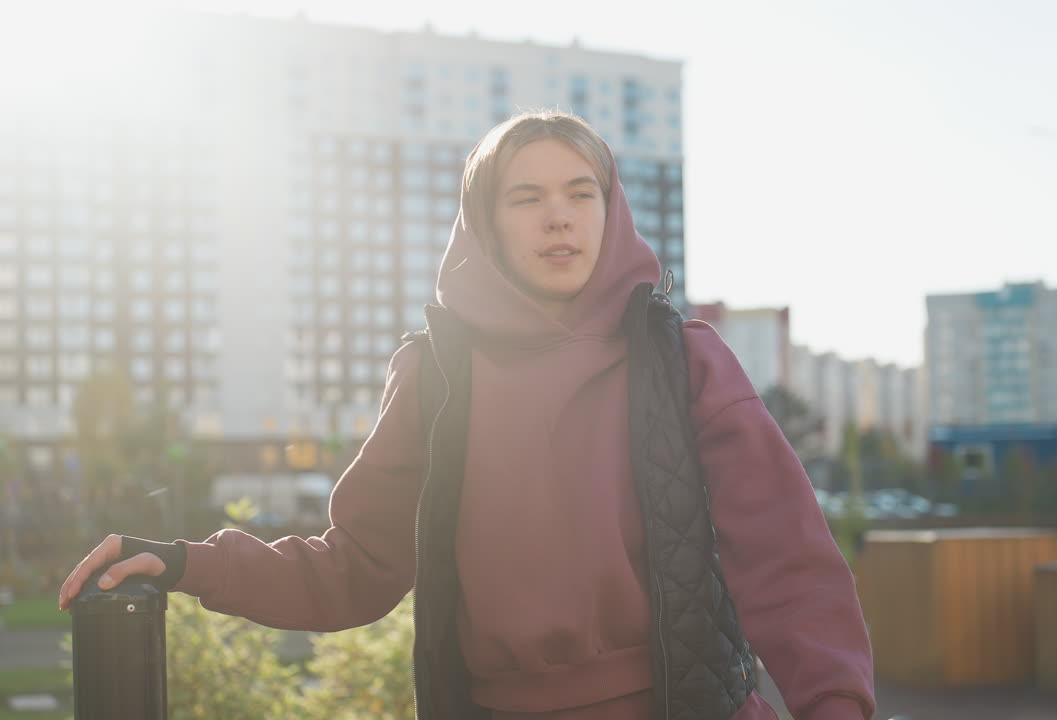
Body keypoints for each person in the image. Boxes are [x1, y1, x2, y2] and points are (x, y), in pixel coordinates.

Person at [59, 111, 875, 719]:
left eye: (581, 193)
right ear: (485, 223)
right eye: (526, 197)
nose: (559, 216)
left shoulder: (685, 359)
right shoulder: (435, 378)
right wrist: (185, 563)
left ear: (610, 210)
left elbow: (790, 564)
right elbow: (354, 569)